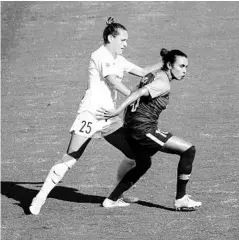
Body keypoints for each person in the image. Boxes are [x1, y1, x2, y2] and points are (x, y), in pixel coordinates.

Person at [29, 17, 162, 215]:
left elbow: (142, 71)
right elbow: (113, 82)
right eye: (123, 40)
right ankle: (40, 197)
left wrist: (165, 63)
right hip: (91, 114)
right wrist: (134, 97)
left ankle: (117, 195)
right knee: (72, 157)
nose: (126, 44)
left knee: (135, 154)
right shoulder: (99, 55)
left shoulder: (119, 59)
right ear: (111, 38)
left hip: (109, 117)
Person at [96, 48, 202, 211]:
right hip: (143, 129)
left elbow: (137, 91)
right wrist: (117, 110)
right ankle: (181, 199)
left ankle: (111, 200)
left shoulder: (153, 75)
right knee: (188, 150)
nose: (184, 71)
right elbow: (139, 92)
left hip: (132, 125)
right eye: (181, 66)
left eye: (186, 67)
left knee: (143, 163)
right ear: (169, 65)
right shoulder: (163, 83)